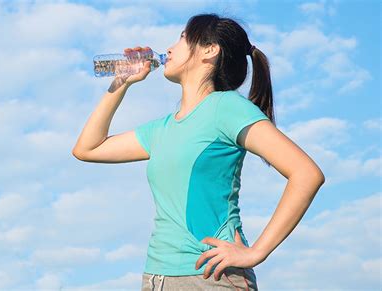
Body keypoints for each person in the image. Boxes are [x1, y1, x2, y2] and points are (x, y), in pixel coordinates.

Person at [72, 13, 325, 291]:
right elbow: (87, 148)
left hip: (211, 278)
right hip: (157, 277)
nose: (169, 48)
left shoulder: (226, 108)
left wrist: (257, 252)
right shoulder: (162, 129)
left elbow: (306, 173)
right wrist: (122, 82)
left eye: (182, 37)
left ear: (209, 50)